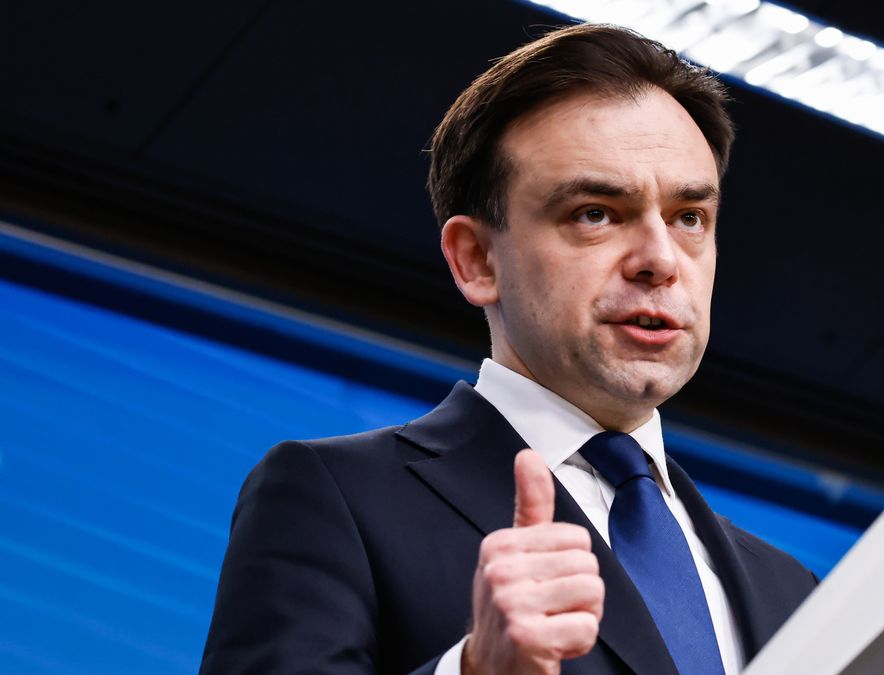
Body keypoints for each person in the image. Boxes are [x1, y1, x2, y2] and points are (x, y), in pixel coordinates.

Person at [200, 23, 818, 675]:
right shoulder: (336, 497)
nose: (661, 260)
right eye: (596, 212)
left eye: (689, 217)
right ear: (476, 260)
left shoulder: (793, 592)